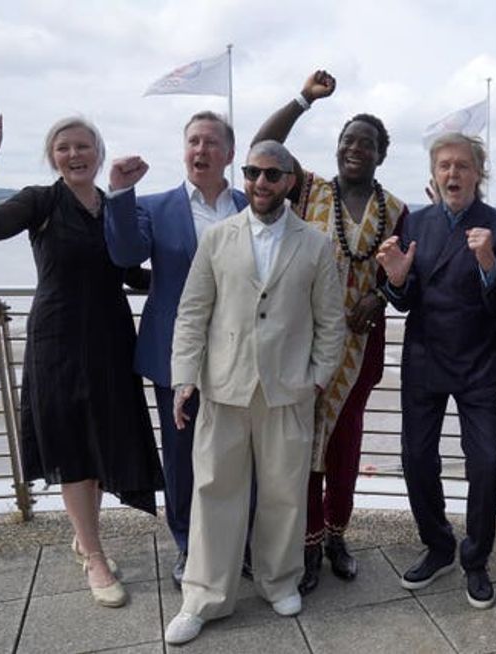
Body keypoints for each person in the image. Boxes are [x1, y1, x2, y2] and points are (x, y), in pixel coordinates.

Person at [0, 94, 164, 608]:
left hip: (112, 340)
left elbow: (130, 272)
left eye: (83, 146)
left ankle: (84, 534)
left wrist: (186, 274)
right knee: (74, 445)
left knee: (99, 442)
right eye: (62, 147)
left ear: (99, 153)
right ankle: (94, 556)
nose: (74, 155)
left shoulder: (118, 206)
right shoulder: (41, 201)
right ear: (52, 156)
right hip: (58, 341)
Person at [163, 141, 344, 645]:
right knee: (214, 491)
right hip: (224, 387)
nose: (259, 182)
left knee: (285, 494)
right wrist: (185, 377)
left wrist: (318, 376)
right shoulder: (218, 238)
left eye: (271, 174)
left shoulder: (315, 244)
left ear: (289, 181)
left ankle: (278, 580)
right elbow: (192, 312)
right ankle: (202, 596)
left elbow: (331, 321)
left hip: (289, 390)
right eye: (251, 172)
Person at [251, 70, 408, 594]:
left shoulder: (398, 210)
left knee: (343, 441)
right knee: (303, 442)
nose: (355, 148)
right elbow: (261, 147)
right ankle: (308, 540)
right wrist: (303, 100)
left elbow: (406, 274)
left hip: (361, 346)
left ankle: (337, 535)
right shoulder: (309, 189)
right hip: (304, 341)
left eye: (366, 142)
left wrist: (380, 295)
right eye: (347, 140)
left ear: (381, 154)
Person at [104, 111, 247, 589]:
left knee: (236, 453)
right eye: (192, 141)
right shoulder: (154, 206)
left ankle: (237, 543)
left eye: (210, 142)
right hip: (176, 355)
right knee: (183, 457)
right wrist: (120, 193)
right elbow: (125, 255)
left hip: (241, 356)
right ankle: (188, 545)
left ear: (229, 153)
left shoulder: (251, 204)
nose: (200, 150)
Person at [376, 133, 496, 610]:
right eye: (444, 166)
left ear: (479, 172)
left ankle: (475, 557)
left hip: (477, 361)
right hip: (424, 357)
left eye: (462, 166)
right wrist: (395, 277)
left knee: (488, 462)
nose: (452, 174)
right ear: (434, 174)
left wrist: (489, 261)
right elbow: (406, 297)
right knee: (416, 458)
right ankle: (438, 545)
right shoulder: (417, 220)